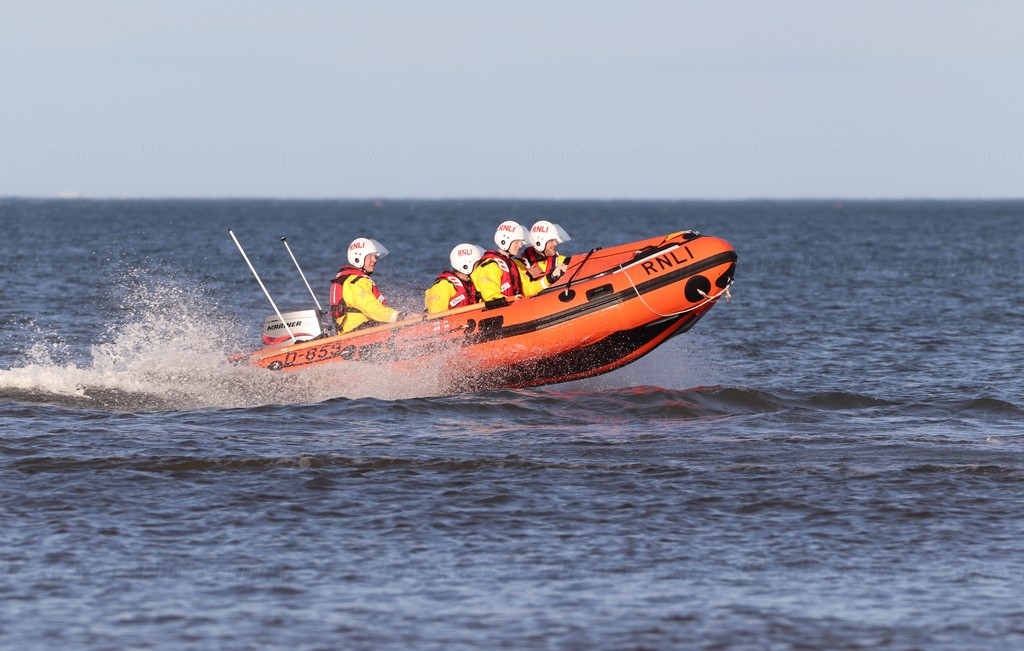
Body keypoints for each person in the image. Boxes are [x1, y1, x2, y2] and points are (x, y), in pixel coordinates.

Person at [329, 237, 403, 333]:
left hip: (358, 330)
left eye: (375, 257)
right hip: (356, 332)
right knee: (397, 325)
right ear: (358, 258)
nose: (375, 260)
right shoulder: (355, 283)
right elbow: (371, 308)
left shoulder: (353, 280)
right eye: (370, 256)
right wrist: (399, 316)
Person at [471, 220, 550, 302]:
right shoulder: (490, 266)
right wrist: (512, 299)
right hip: (501, 308)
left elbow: (527, 289)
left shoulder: (512, 265)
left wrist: (550, 278)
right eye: (517, 242)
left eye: (521, 242)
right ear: (504, 242)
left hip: (514, 305)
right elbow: (492, 297)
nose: (520, 245)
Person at [424, 243, 483, 314]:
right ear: (466, 266)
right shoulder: (443, 287)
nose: (481, 268)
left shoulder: (472, 285)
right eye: (478, 264)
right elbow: (435, 317)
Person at [523, 220, 571, 284]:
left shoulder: (563, 262)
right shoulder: (521, 265)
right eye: (551, 241)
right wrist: (528, 276)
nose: (555, 243)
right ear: (539, 243)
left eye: (555, 240)